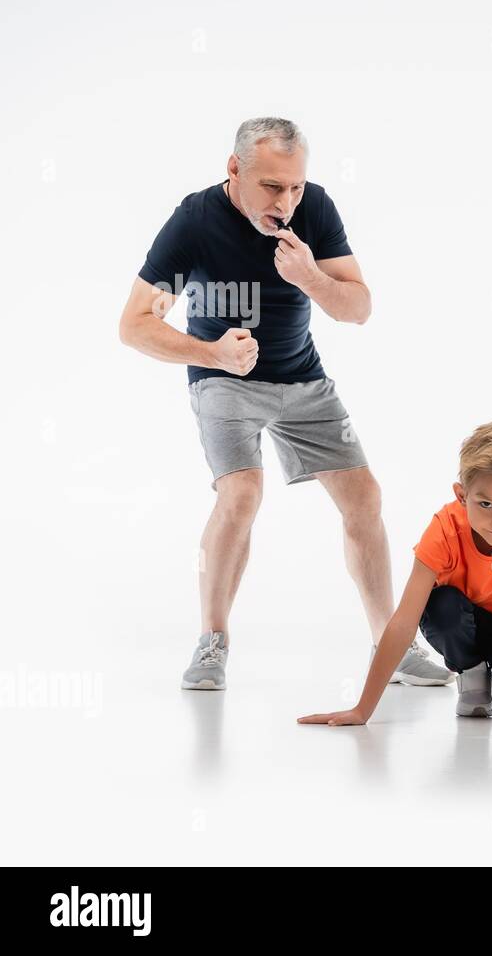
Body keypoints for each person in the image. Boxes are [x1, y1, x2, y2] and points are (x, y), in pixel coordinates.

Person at [118, 117, 449, 690]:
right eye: (273, 187)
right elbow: (134, 325)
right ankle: (211, 642)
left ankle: (390, 645)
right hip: (224, 378)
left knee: (365, 497)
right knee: (243, 494)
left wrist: (310, 278)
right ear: (235, 170)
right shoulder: (195, 222)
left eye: (296, 186)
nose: (287, 200)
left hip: (302, 378)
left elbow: (359, 308)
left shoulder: (315, 209)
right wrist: (212, 353)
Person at [298, 421, 492, 732]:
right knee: (444, 610)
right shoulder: (443, 529)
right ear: (461, 495)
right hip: (452, 616)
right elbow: (403, 620)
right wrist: (362, 710)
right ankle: (470, 669)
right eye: (486, 504)